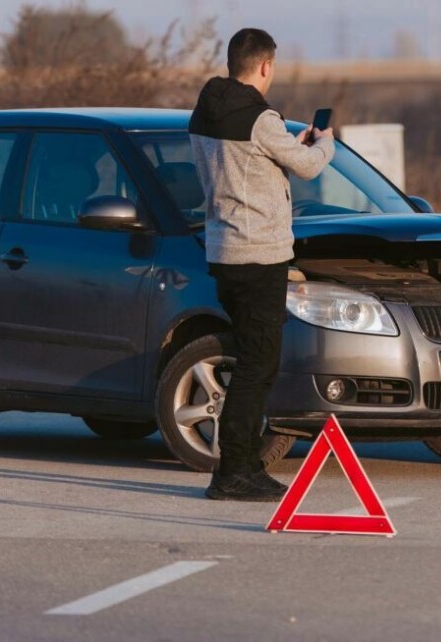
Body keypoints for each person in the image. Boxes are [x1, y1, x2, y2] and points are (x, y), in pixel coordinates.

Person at [189, 28, 335, 501]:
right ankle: (233, 472)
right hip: (260, 254)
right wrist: (324, 142)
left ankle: (242, 465)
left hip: (225, 251)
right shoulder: (260, 118)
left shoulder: (206, 111)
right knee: (257, 366)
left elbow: (250, 162)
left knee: (252, 361)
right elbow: (310, 166)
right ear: (266, 66)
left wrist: (291, 142)